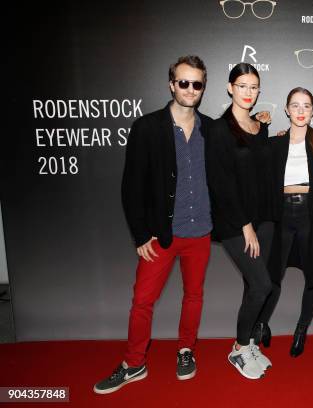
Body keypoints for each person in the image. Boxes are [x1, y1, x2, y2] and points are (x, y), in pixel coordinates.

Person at [94, 55, 213, 394]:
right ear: (172, 84)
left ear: (203, 87)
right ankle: (134, 364)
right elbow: (131, 185)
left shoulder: (211, 129)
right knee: (142, 301)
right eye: (184, 82)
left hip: (201, 231)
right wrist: (141, 233)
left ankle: (186, 350)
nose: (190, 89)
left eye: (197, 84)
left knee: (193, 296)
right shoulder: (147, 127)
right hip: (161, 235)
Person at [207, 62, 278, 380]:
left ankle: (249, 343)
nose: (249, 92)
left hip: (264, 218)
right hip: (236, 223)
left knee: (257, 284)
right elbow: (221, 183)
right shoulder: (219, 130)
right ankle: (238, 349)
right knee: (261, 285)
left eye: (254, 87)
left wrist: (263, 122)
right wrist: (245, 225)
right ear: (229, 88)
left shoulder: (258, 126)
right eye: (243, 86)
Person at [256, 87, 313, 357]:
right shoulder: (275, 143)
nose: (301, 111)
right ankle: (262, 324)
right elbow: (250, 153)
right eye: (295, 106)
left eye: (306, 106)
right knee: (272, 276)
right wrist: (259, 122)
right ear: (287, 110)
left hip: (311, 217)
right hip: (281, 216)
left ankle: (301, 330)